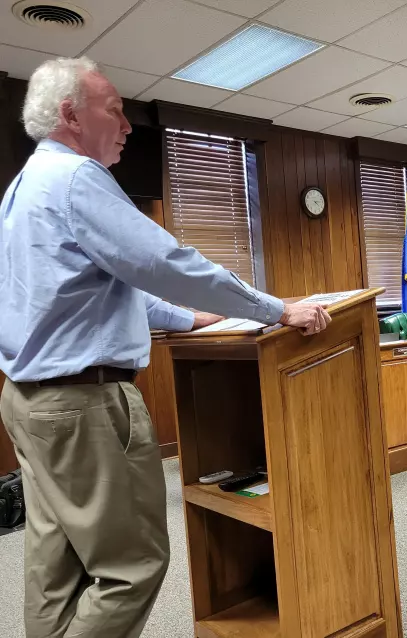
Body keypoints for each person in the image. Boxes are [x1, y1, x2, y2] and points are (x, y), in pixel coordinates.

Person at [0, 57, 331, 638]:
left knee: (57, 568)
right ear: (71, 115)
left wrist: (190, 317)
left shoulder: (23, 188)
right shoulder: (76, 179)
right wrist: (277, 310)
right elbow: (166, 263)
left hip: (30, 402)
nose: (128, 125)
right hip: (84, 406)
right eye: (115, 110)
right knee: (131, 569)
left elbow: (93, 291)